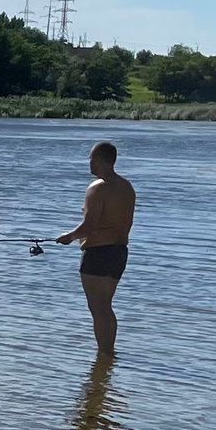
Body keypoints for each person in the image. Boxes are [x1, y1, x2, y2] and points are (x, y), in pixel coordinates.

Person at [54, 140, 135, 355]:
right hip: (119, 253)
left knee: (97, 308)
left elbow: (89, 225)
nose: (89, 163)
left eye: (91, 158)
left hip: (98, 253)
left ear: (99, 160)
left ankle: (104, 353)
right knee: (106, 306)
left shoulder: (96, 188)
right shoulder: (126, 187)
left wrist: (68, 237)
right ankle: (107, 357)